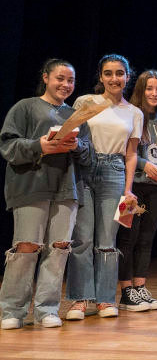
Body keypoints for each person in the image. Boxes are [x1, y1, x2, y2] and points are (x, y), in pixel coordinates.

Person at [0, 59, 91, 329]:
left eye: (70, 80)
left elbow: (89, 155)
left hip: (66, 188)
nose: (65, 85)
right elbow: (8, 145)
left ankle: (47, 309)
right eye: (60, 79)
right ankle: (12, 310)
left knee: (59, 248)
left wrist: (75, 146)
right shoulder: (26, 107)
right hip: (31, 185)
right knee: (26, 248)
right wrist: (39, 145)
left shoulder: (76, 115)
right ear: (46, 78)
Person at [66, 54, 143, 320]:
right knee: (83, 237)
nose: (114, 78)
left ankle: (105, 299)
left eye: (119, 73)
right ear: (101, 77)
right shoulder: (86, 102)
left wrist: (129, 188)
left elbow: (131, 154)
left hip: (115, 170)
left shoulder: (135, 112)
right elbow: (72, 135)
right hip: (85, 166)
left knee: (107, 240)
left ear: (127, 76)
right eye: (108, 73)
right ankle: (80, 299)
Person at [116, 70, 157, 311]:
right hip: (132, 186)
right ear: (140, 90)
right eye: (149, 88)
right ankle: (126, 290)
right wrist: (144, 165)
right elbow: (123, 151)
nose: (154, 93)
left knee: (147, 239)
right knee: (128, 238)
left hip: (156, 188)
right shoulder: (131, 115)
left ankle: (140, 287)